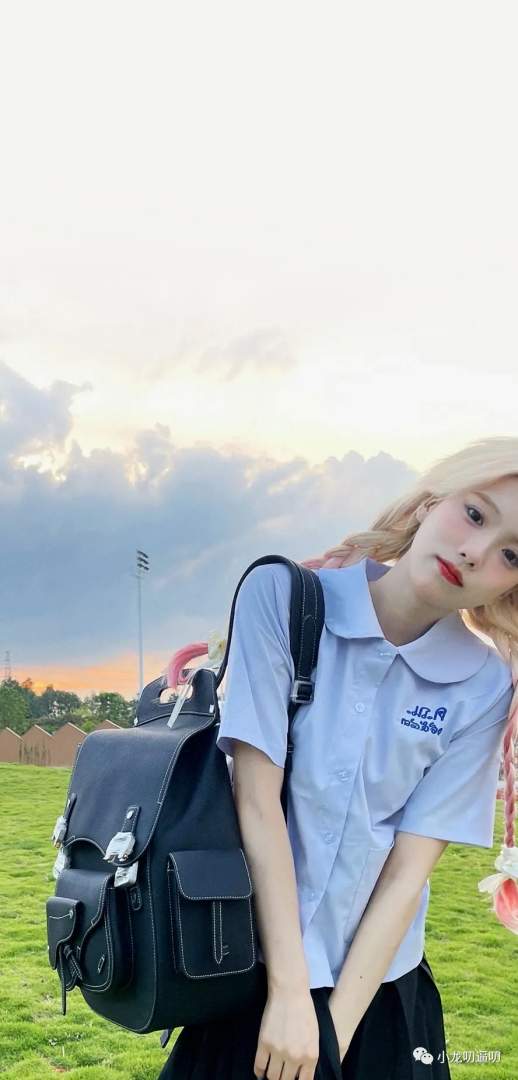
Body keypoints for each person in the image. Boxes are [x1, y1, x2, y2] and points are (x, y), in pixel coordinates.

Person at [158, 435, 518, 1080]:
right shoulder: (284, 597)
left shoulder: (485, 685)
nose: (475, 552)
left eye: (511, 554)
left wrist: (333, 1033)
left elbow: (409, 870)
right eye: (474, 514)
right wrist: (291, 996)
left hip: (381, 989)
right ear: (430, 502)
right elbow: (255, 800)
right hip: (248, 973)